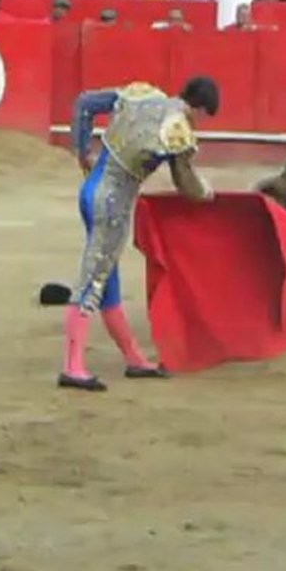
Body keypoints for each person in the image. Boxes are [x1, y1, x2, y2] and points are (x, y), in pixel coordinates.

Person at [62, 77, 221, 391]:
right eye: (202, 115)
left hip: (91, 190)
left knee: (106, 280)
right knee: (92, 280)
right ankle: (72, 366)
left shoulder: (143, 95)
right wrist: (208, 194)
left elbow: (84, 104)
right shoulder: (178, 128)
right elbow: (186, 184)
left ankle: (134, 358)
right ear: (199, 108)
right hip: (112, 204)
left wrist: (82, 152)